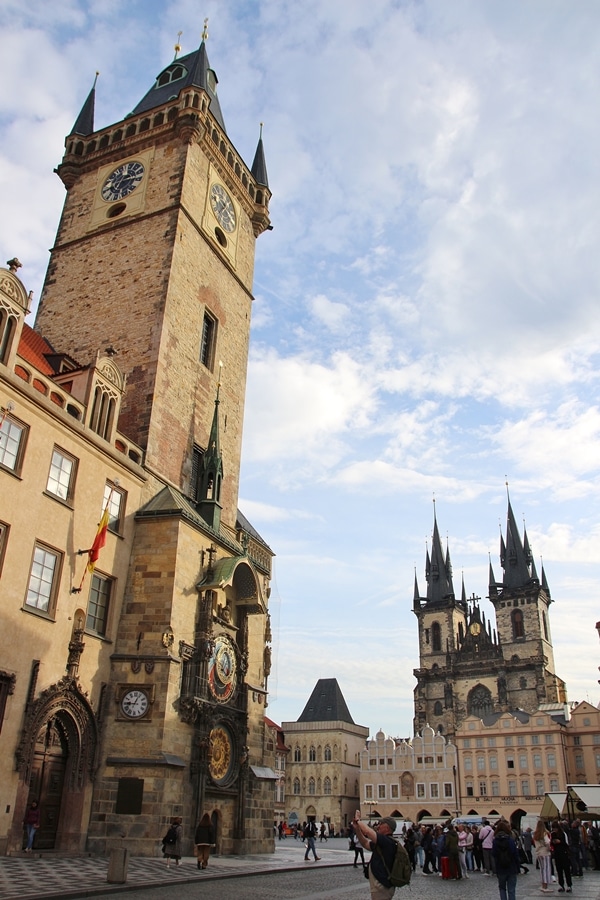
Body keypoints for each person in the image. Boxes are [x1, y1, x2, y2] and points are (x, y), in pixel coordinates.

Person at [353, 812, 398, 899]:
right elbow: (365, 843)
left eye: (381, 824)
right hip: (380, 885)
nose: (378, 826)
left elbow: (367, 832)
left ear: (387, 828)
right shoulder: (382, 842)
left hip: (382, 885)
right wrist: (357, 829)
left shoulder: (387, 841)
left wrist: (358, 820)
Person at [493, 820, 520, 900]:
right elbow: (515, 854)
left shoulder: (495, 841)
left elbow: (494, 854)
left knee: (502, 889)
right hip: (511, 867)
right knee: (511, 890)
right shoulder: (510, 840)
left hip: (500, 868)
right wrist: (517, 867)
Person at [551, 820, 572, 893]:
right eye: (553, 828)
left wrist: (560, 842)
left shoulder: (563, 834)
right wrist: (553, 842)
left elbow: (567, 844)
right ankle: (561, 885)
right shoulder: (553, 834)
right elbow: (551, 843)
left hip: (564, 854)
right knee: (559, 870)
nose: (554, 830)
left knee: (567, 870)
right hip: (557, 854)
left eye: (555, 828)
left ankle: (569, 885)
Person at [533, 818, 552, 893]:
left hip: (539, 853)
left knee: (542, 869)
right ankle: (545, 886)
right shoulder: (544, 833)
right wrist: (549, 848)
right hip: (545, 852)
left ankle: (542, 885)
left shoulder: (535, 834)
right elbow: (547, 842)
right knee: (546, 869)